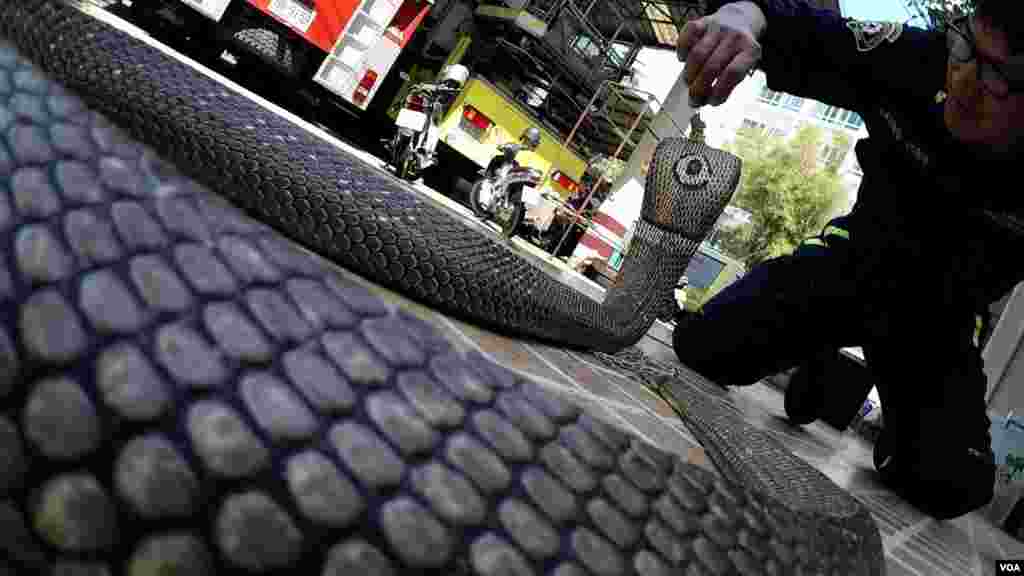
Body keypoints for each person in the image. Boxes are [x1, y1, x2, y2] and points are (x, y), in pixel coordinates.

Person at [672, 0, 1023, 520]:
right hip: (851, 264)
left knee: (952, 488)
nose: (964, 81)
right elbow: (796, 26)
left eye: (996, 78)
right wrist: (743, 18)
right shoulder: (918, 58)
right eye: (966, 46)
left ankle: (901, 422)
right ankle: (816, 350)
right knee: (703, 347)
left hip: (939, 323)